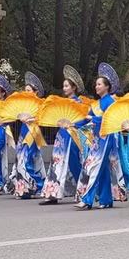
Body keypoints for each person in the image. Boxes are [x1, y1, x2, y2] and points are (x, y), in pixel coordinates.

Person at [75, 63, 128, 210]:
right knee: (102, 169)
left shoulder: (111, 102)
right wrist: (74, 124)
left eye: (99, 84)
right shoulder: (96, 104)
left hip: (107, 137)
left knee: (94, 167)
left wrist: (93, 119)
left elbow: (108, 119)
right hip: (97, 138)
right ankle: (106, 199)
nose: (97, 86)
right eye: (96, 84)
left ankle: (87, 199)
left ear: (107, 87)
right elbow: (87, 118)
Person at [40, 66, 86, 205]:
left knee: (74, 164)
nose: (64, 88)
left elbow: (84, 119)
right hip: (61, 135)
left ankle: (84, 189)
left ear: (74, 88)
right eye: (64, 86)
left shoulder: (79, 103)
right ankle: (52, 193)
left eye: (66, 86)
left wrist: (72, 125)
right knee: (56, 163)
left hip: (72, 135)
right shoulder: (61, 103)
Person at [9, 72, 47, 199]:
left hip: (33, 132)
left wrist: (32, 119)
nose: (26, 92)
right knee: (24, 159)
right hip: (23, 131)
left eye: (29, 90)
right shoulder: (23, 105)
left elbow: (43, 118)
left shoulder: (40, 104)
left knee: (25, 161)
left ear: (35, 92)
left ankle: (37, 185)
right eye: (25, 90)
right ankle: (25, 187)